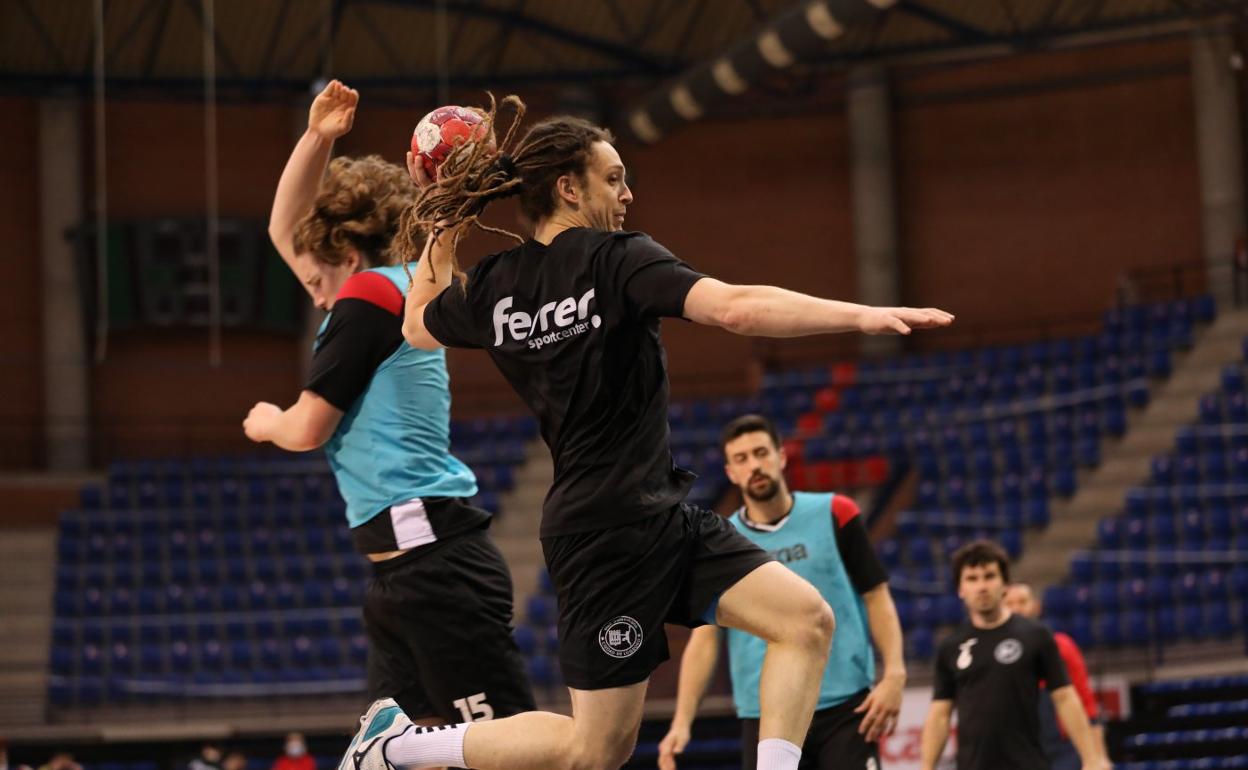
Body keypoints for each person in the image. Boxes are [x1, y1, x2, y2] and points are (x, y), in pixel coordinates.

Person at [341, 99, 953, 770]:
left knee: (806, 621)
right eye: (615, 178)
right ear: (570, 188)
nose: (628, 193)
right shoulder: (616, 261)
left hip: (659, 518)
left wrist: (446, 222)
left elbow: (418, 323)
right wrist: (862, 316)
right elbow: (736, 310)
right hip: (604, 538)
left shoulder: (497, 285)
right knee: (593, 751)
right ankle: (398, 747)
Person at [244, 79, 535, 733]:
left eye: (316, 280)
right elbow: (282, 227)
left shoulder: (369, 297)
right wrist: (319, 136)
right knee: (398, 748)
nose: (314, 296)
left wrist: (266, 422)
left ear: (347, 254)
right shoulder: (391, 285)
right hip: (404, 572)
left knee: (506, 742)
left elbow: (309, 428)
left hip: (432, 563)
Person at [658, 414, 907, 770]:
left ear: (782, 456)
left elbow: (876, 595)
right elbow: (706, 639)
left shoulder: (837, 512)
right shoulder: (719, 542)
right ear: (730, 472)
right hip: (766, 717)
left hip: (846, 708)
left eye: (761, 452)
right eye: (741, 459)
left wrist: (895, 673)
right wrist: (682, 721)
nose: (754, 465)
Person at [919, 541, 1100, 770]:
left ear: (1004, 583)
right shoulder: (950, 647)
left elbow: (1065, 697)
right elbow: (940, 715)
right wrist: (926, 767)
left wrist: (1092, 758)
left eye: (989, 576)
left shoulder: (1036, 636)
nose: (982, 586)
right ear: (960, 589)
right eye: (972, 579)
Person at [1005, 584, 1112, 770]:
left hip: (1065, 751)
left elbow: (1087, 704)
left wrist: (1098, 757)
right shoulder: (996, 657)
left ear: (1036, 606)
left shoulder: (1062, 646)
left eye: (1022, 602)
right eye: (1010, 603)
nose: (1016, 609)